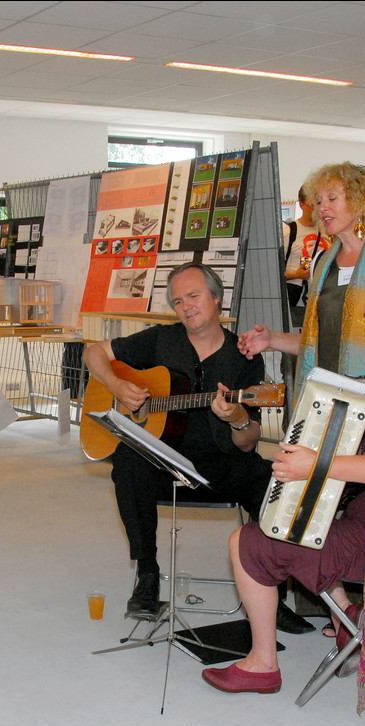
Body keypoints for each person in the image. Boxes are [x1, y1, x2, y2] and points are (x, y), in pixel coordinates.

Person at [205, 260, 365, 716]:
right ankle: (351, 621)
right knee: (276, 522)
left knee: (248, 543)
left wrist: (316, 466)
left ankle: (264, 664)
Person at [82, 263, 277, 621]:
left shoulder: (244, 357)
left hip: (217, 467)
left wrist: (237, 418)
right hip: (162, 464)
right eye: (177, 301)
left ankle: (270, 587)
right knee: (127, 460)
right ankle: (148, 574)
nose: (186, 307)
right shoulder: (161, 339)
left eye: (193, 296)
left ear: (216, 298)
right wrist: (115, 385)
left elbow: (249, 442)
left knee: (268, 477)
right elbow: (93, 352)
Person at [241, 162, 365, 402]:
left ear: (360, 201)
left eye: (332, 198)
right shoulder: (321, 263)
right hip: (323, 399)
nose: (322, 207)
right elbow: (316, 343)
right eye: (318, 201)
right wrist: (271, 339)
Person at [282, 186, 325, 327]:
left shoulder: (329, 232)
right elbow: (271, 273)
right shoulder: (289, 232)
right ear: (301, 205)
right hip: (295, 300)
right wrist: (295, 274)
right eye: (312, 205)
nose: (317, 210)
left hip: (321, 299)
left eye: (320, 204)